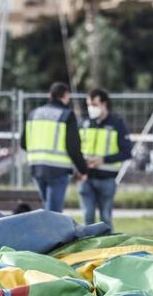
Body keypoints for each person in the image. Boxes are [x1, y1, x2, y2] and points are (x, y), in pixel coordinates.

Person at [21, 82, 88, 213]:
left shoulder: (34, 114)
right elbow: (73, 147)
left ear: (50, 95)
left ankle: (46, 232)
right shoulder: (66, 115)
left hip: (37, 167)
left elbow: (24, 143)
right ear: (65, 96)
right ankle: (52, 233)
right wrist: (83, 170)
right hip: (58, 169)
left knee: (47, 208)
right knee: (54, 212)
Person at [78, 88, 133, 228]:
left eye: (94, 105)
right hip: (86, 178)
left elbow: (127, 152)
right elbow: (75, 149)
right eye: (89, 105)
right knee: (87, 218)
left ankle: (108, 249)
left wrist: (104, 160)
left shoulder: (117, 124)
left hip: (107, 179)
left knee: (106, 219)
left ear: (104, 104)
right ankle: (88, 249)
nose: (91, 108)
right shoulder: (83, 123)